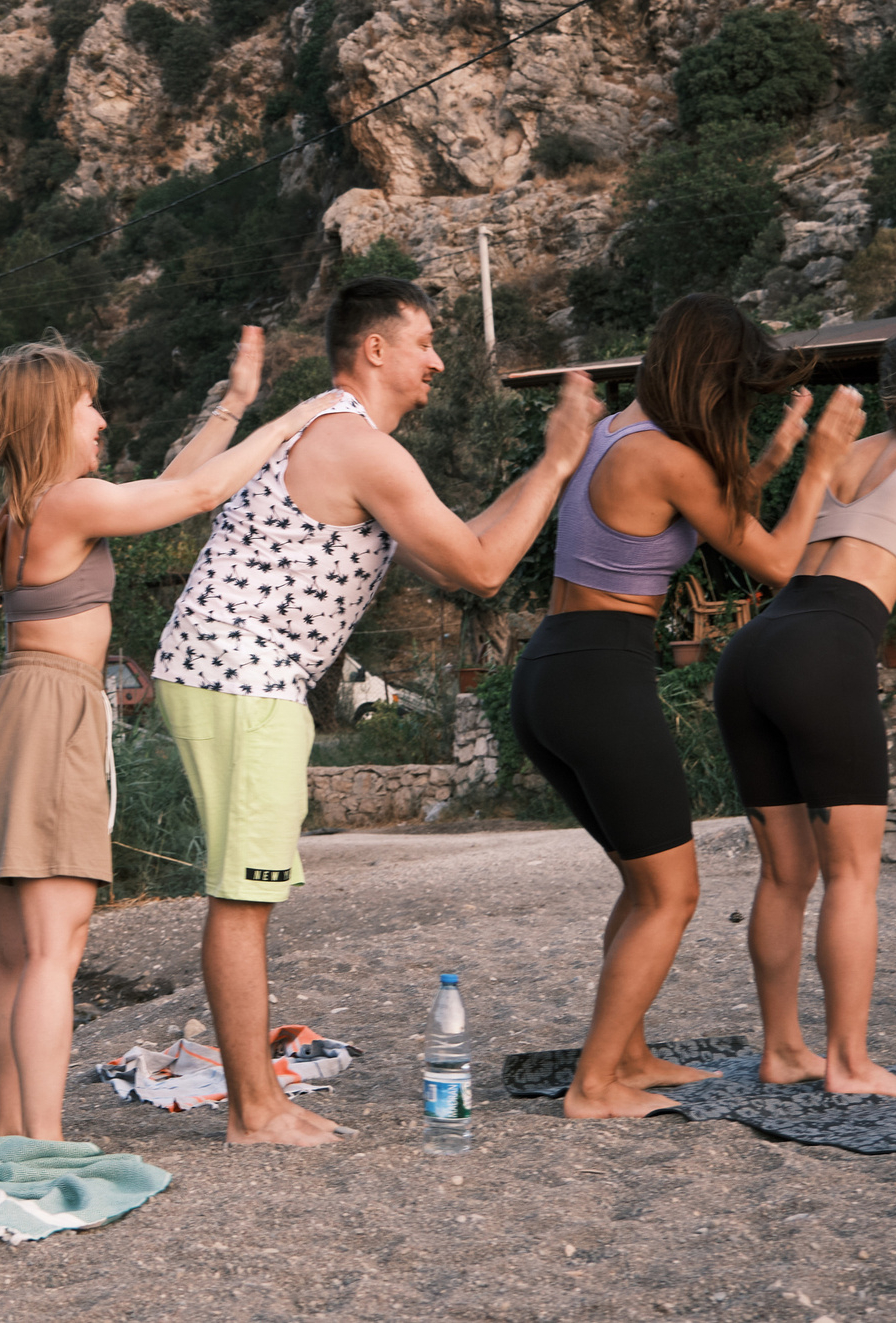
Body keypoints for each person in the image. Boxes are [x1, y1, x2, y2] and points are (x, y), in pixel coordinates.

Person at [149, 276, 602, 1146]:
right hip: (242, 674)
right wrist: (554, 462)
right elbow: (481, 568)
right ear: (376, 349)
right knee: (243, 897)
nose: (437, 360)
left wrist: (547, 469)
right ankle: (255, 1109)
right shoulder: (359, 446)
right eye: (425, 341)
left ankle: (256, 1098)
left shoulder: (341, 436)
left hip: (234, 672)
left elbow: (460, 549)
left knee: (249, 891)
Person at [0, 329, 332, 1142]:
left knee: (16, 951)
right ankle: (42, 1145)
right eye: (90, 405)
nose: (102, 420)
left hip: (12, 707)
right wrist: (298, 416)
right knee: (56, 946)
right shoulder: (68, 501)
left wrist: (233, 402)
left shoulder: (29, 504)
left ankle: (18, 1135)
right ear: (55, 416)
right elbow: (194, 499)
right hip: (52, 711)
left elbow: (170, 483)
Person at [512, 293, 863, 1119]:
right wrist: (819, 461)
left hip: (555, 669)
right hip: (601, 677)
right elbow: (775, 558)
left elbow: (713, 513)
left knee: (644, 886)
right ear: (708, 377)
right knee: (673, 894)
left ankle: (627, 1052)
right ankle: (595, 1085)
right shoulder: (670, 458)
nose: (738, 405)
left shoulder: (621, 435)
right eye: (737, 387)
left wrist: (774, 457)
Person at [714, 328, 896, 1103]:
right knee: (852, 873)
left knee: (786, 872)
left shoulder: (839, 454)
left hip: (753, 649)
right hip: (827, 648)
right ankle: (848, 1062)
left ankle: (783, 1050)